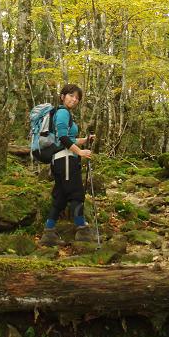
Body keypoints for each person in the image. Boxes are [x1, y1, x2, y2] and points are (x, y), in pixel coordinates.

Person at [39, 83, 96, 246]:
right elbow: (63, 139)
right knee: (77, 193)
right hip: (65, 159)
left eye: (77, 98)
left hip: (60, 159)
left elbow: (65, 138)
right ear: (63, 96)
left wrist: (84, 141)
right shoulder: (63, 113)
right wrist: (80, 152)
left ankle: (49, 234)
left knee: (61, 196)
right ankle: (82, 230)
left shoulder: (63, 113)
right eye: (71, 95)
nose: (74, 99)